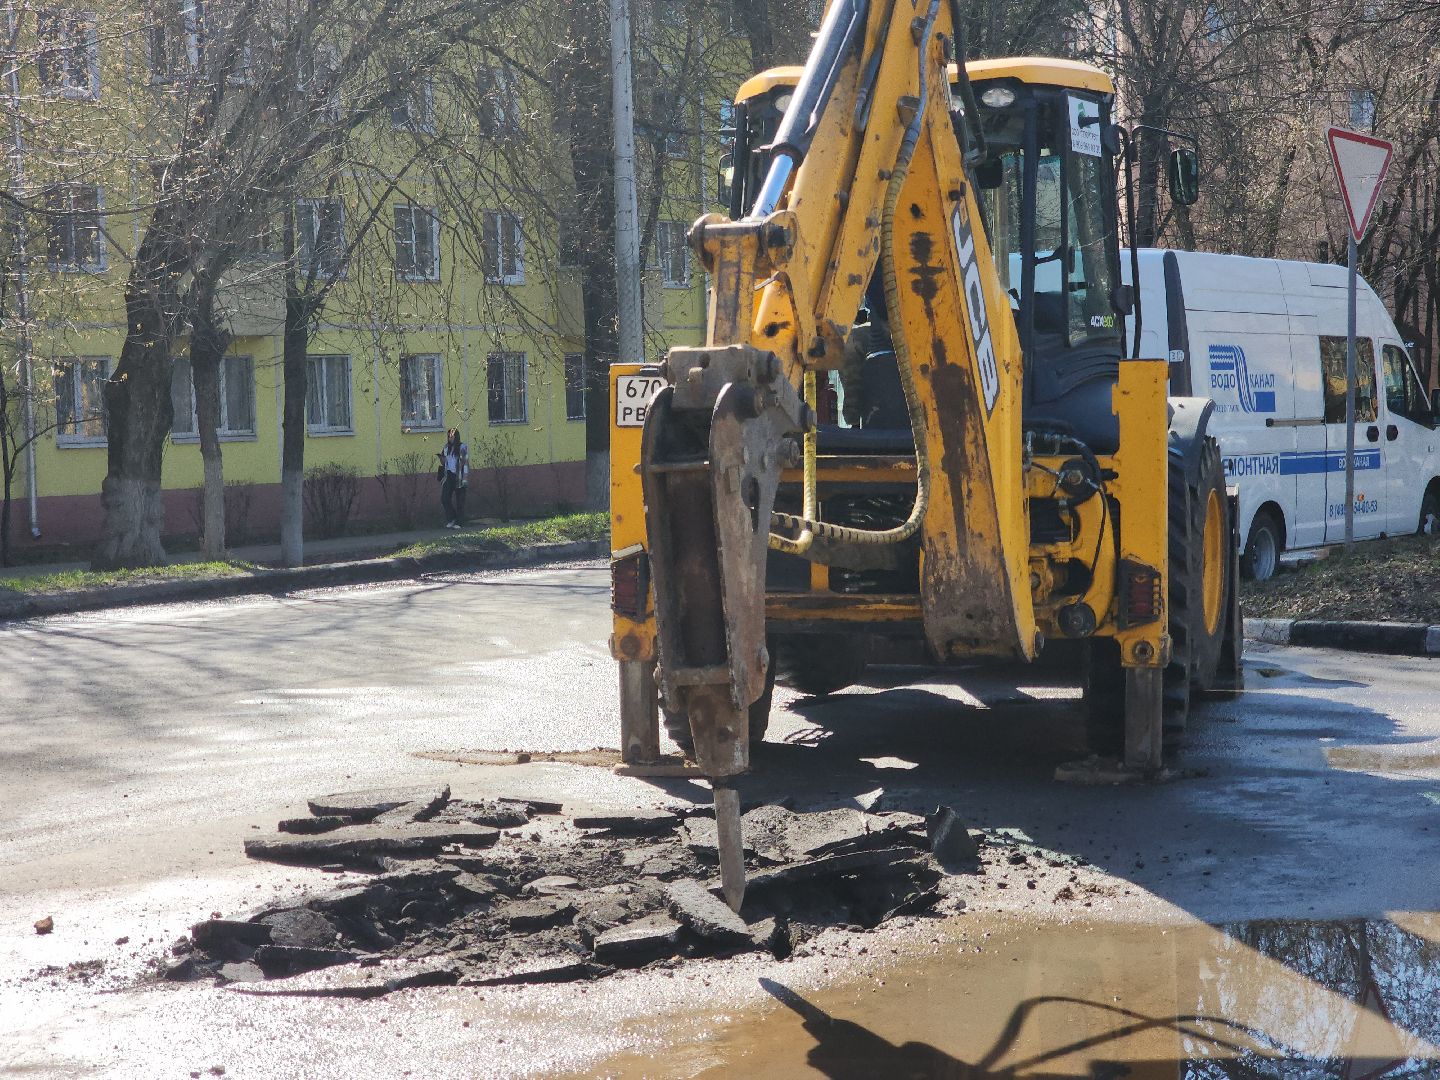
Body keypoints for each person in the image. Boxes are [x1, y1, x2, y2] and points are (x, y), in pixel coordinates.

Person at [437, 428, 469, 528]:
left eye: (451, 436)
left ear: (456, 436)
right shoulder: (446, 447)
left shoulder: (462, 447)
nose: (450, 438)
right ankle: (452, 518)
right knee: (444, 498)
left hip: (459, 476)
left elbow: (465, 463)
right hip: (449, 475)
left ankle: (459, 522)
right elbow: (444, 462)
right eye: (449, 436)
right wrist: (441, 458)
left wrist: (465, 478)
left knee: (460, 500)